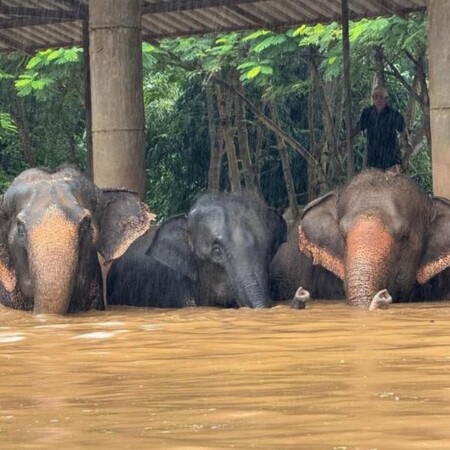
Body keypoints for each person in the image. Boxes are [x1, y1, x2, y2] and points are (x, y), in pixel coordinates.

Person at [355, 85, 412, 171]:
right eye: (375, 97)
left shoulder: (394, 114)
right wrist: (347, 140)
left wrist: (406, 144)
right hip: (374, 159)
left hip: (391, 159)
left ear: (386, 99)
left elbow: (403, 131)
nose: (378, 100)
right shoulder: (367, 113)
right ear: (373, 98)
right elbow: (359, 128)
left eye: (381, 97)